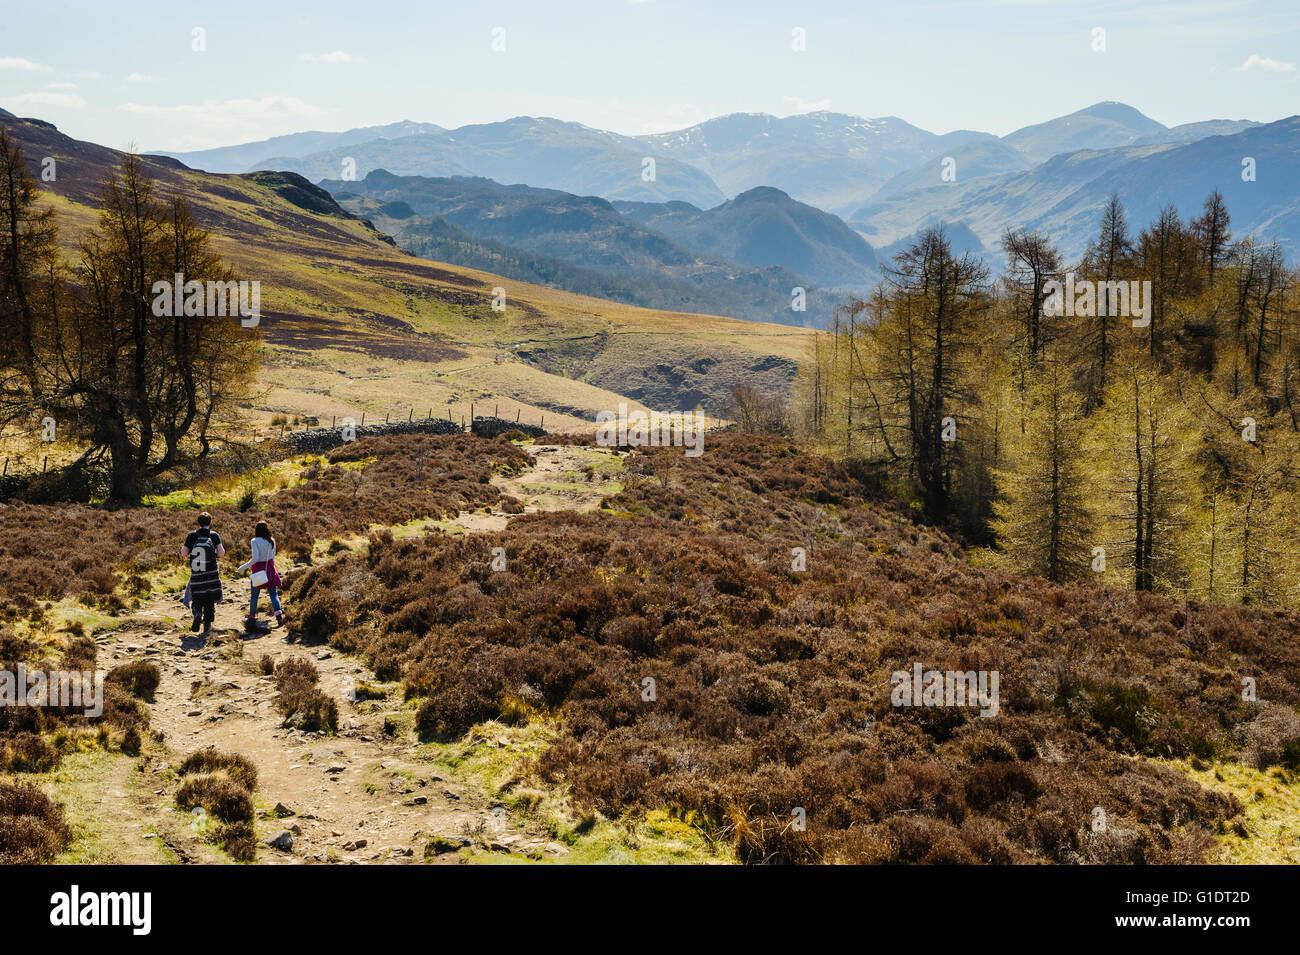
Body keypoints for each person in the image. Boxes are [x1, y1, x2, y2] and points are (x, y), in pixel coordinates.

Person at [181, 512, 224, 635]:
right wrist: (213, 555)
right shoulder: (214, 535)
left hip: (197, 571)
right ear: (210, 523)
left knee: (197, 595)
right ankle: (207, 625)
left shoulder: (191, 535)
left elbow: (184, 553)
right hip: (211, 571)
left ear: (198, 523)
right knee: (210, 597)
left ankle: (197, 613)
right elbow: (221, 553)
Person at [237, 520, 283, 628]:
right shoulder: (272, 540)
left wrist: (243, 567)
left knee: (254, 596)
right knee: (274, 594)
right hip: (270, 568)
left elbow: (255, 558)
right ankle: (279, 617)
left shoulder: (254, 541)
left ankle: (252, 618)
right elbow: (273, 556)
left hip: (258, 569)